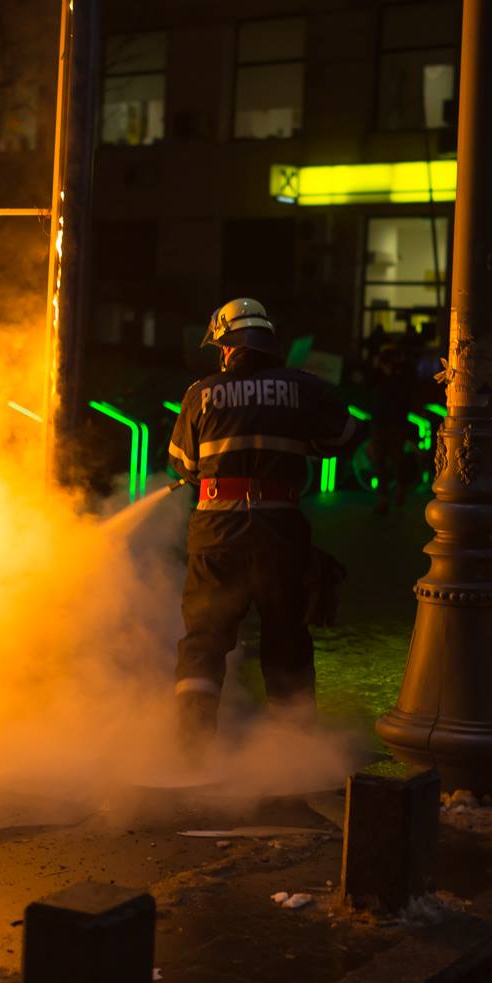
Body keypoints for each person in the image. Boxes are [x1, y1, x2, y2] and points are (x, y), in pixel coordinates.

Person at [166, 297, 353, 755]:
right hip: (279, 536)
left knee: (204, 644)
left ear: (228, 347)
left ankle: (191, 749)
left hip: (216, 538)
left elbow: (185, 465)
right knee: (287, 640)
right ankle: (293, 753)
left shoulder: (200, 393)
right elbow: (345, 437)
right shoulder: (304, 389)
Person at [365, 342, 415, 515]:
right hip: (379, 421)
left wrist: (394, 370)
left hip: (397, 422)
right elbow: (367, 384)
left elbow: (407, 390)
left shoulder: (403, 372)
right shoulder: (377, 373)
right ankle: (383, 498)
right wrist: (378, 366)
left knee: (397, 458)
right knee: (379, 461)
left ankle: (400, 488)